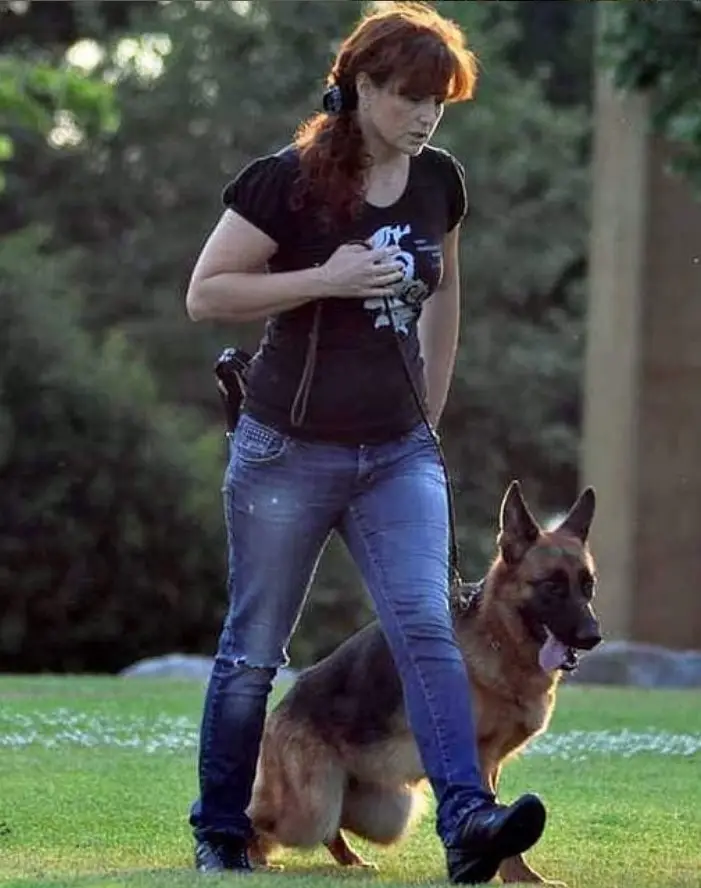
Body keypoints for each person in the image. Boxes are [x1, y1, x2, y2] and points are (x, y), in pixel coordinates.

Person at [184, 2, 546, 883]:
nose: (426, 116)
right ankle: (223, 832)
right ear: (361, 87)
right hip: (285, 451)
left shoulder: (438, 181)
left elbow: (445, 287)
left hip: (397, 453)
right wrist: (326, 278)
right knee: (253, 648)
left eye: (441, 101)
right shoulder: (287, 181)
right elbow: (207, 294)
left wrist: (431, 402)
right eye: (410, 96)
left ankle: (466, 823)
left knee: (427, 627)